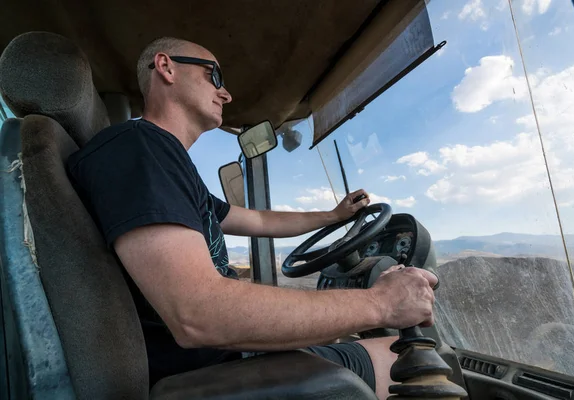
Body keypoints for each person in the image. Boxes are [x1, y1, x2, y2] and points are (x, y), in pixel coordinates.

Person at [67, 37, 438, 400]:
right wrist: (381, 303)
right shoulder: (139, 149)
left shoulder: (166, 163)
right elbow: (199, 312)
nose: (226, 94)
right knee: (416, 357)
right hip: (209, 370)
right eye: (214, 75)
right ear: (166, 67)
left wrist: (334, 215)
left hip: (218, 359)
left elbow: (260, 222)